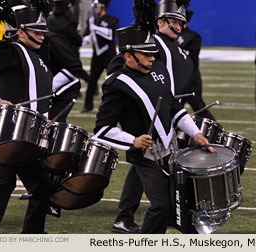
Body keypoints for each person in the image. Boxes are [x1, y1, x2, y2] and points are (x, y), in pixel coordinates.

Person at [93, 18, 214, 233]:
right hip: (147, 156)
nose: (152, 58)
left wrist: (195, 133)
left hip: (172, 151)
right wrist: (133, 140)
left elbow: (174, 107)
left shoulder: (158, 70)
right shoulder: (117, 85)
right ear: (128, 56)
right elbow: (102, 129)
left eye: (152, 53)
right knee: (160, 207)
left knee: (181, 207)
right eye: (146, 54)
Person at [111, 0, 194, 234]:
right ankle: (126, 216)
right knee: (144, 163)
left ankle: (135, 216)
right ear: (161, 21)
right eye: (174, 21)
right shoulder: (151, 41)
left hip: (169, 113)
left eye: (181, 22)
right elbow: (121, 70)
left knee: (147, 167)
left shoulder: (179, 49)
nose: (179, 26)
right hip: (145, 116)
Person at [0, 5, 54, 233]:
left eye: (43, 32)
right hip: (9, 131)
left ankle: (32, 235)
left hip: (31, 134)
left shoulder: (39, 60)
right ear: (21, 31)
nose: (42, 36)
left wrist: (47, 119)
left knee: (43, 186)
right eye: (37, 32)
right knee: (4, 182)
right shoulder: (9, 50)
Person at [80, 0, 118, 113]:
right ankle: (88, 105)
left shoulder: (112, 20)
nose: (95, 9)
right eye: (94, 6)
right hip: (97, 55)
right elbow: (87, 34)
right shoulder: (92, 20)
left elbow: (110, 35)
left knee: (113, 80)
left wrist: (95, 28)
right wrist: (86, 38)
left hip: (109, 55)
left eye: (97, 6)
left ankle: (116, 104)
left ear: (103, 7)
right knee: (92, 81)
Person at [177, 9, 215, 120]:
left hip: (190, 79)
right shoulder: (170, 37)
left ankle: (216, 132)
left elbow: (192, 60)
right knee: (176, 108)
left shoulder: (193, 37)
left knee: (198, 106)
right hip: (176, 78)